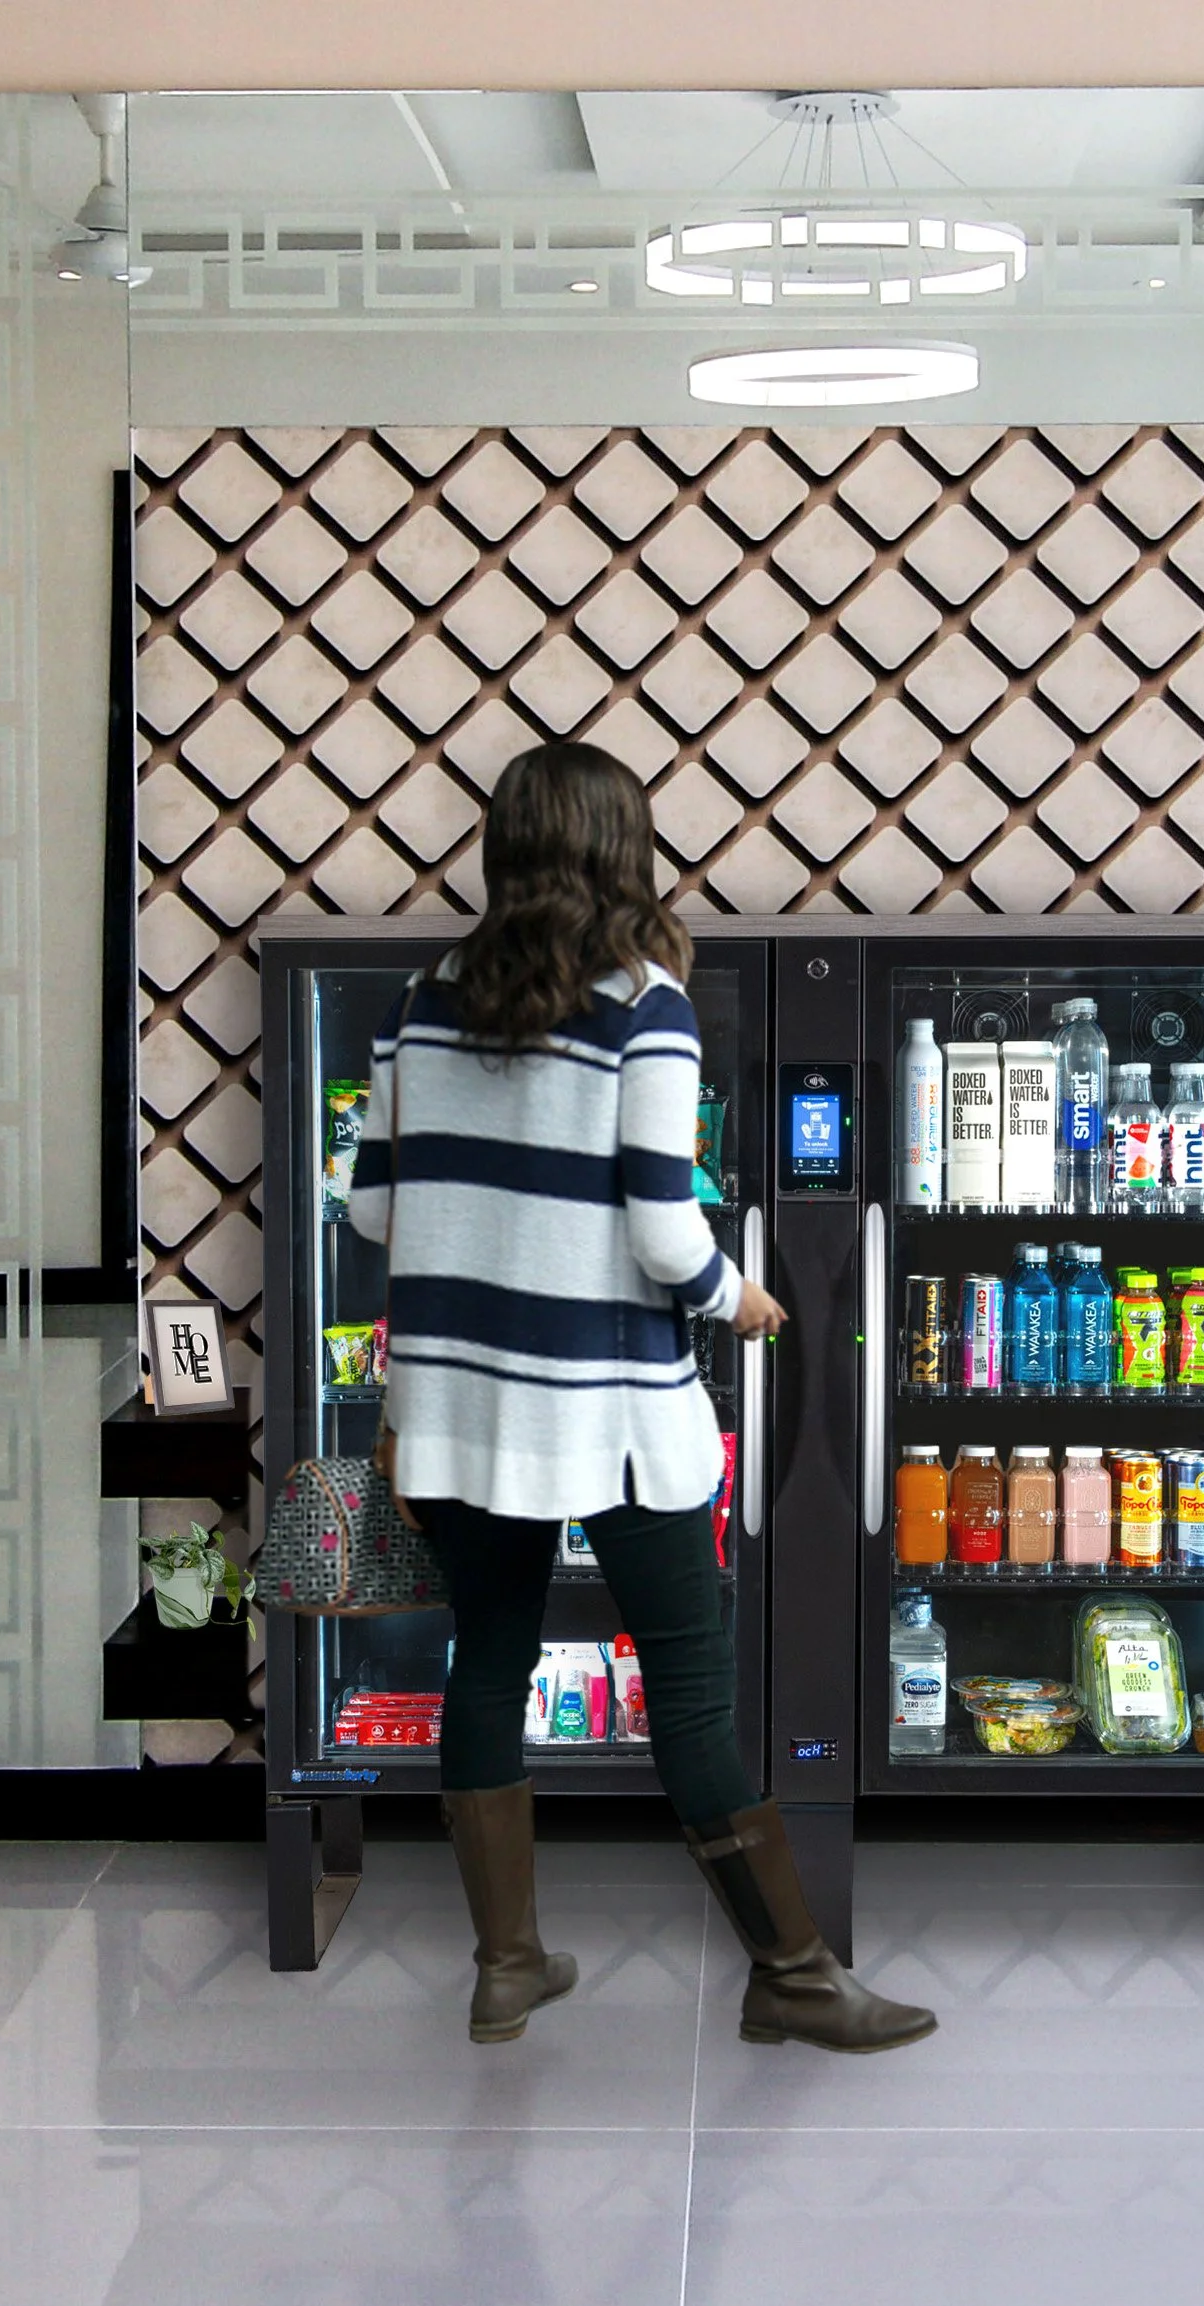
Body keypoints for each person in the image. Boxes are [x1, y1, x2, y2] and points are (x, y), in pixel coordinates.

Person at [347, 742, 936, 2056]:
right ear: (626, 852)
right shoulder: (642, 1007)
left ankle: (506, 1967)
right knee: (691, 1688)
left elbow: (374, 1210)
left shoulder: (418, 1003)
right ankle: (791, 1974)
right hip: (608, 1412)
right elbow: (666, 1233)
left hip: (457, 1410)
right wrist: (740, 1295)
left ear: (503, 849)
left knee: (487, 1661)